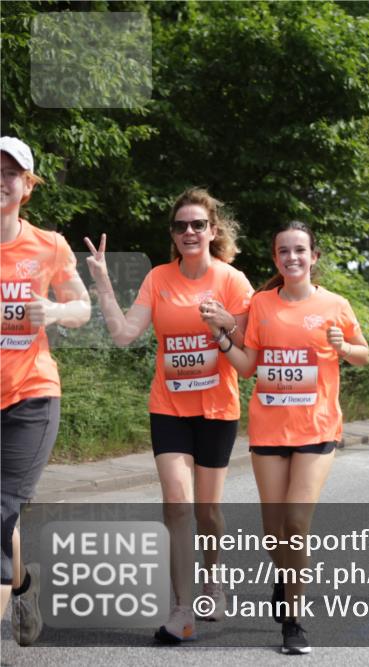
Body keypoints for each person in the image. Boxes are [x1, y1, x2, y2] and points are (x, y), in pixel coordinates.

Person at [85, 187, 252, 643]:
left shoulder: (232, 280)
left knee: (207, 511)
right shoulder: (159, 278)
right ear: (173, 235)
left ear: (212, 231)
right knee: (176, 503)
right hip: (169, 406)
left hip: (217, 408)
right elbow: (123, 334)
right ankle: (182, 608)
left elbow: (251, 347)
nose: (189, 232)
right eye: (181, 226)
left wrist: (227, 323)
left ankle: (213, 580)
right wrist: (103, 281)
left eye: (198, 224)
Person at [216, 221, 369, 654]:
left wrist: (343, 347)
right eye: (284, 251)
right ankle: (287, 578)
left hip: (317, 426)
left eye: (300, 250)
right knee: (272, 530)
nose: (292, 257)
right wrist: (222, 340)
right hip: (269, 427)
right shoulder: (262, 304)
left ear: (313, 257)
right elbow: (248, 365)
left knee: (296, 523)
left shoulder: (335, 304)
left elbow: (363, 354)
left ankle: (294, 620)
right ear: (276, 258)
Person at [1, 137, 90, 647]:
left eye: (10, 173)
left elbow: (82, 308)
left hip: (30, 395)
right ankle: (24, 586)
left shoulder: (48, 245)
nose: (0, 180)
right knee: (3, 515)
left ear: (27, 186)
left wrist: (55, 311)